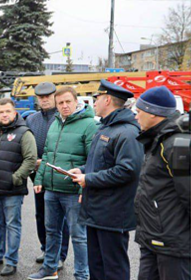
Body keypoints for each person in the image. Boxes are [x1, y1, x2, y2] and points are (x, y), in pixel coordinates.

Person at [69, 80, 144, 280]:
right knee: (97, 265)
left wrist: (89, 179)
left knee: (113, 268)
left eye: (97, 98)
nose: (94, 102)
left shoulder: (127, 132)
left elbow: (127, 170)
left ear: (107, 100)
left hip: (112, 213)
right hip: (97, 210)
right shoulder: (106, 128)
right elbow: (103, 163)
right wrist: (83, 171)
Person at [28, 87, 97, 280]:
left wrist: (86, 181)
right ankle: (50, 269)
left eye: (68, 101)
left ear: (76, 102)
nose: (64, 106)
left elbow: (94, 159)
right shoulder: (56, 124)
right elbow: (48, 155)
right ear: (56, 105)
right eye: (61, 103)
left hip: (74, 191)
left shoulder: (89, 125)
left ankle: (82, 275)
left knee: (79, 236)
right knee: (52, 231)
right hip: (51, 189)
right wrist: (40, 179)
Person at [134, 87, 190, 280]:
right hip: (153, 239)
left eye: (138, 112)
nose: (136, 117)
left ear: (153, 113)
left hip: (173, 244)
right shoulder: (158, 140)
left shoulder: (175, 144)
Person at [0, 98, 37, 277]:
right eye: (1, 112)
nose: (4, 115)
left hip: (12, 190)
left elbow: (31, 159)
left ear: (14, 112)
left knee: (12, 225)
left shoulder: (24, 133)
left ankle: (11, 261)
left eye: (7, 111)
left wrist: (16, 178)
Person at [24, 82, 69, 266]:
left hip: (57, 176)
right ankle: (46, 249)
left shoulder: (63, 118)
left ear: (54, 97)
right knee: (41, 215)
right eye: (41, 97)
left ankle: (60, 254)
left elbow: (68, 148)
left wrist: (47, 162)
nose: (44, 99)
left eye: (48, 96)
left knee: (59, 218)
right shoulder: (31, 120)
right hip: (37, 176)